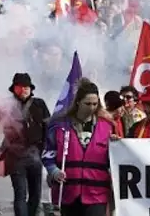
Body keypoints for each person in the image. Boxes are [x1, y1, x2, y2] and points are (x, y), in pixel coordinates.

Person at [0, 73, 50, 216]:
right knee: (20, 194)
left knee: (35, 195)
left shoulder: (39, 104)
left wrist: (48, 147)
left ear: (31, 89)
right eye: (20, 87)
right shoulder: (6, 105)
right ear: (14, 89)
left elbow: (48, 126)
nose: (24, 90)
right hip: (15, 156)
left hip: (36, 154)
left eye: (26, 87)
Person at [41, 79, 113, 216]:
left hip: (96, 193)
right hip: (68, 192)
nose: (91, 108)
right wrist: (54, 171)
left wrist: (117, 145)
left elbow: (117, 159)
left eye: (95, 104)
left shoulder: (108, 127)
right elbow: (48, 154)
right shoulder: (59, 126)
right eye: (88, 104)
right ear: (78, 102)